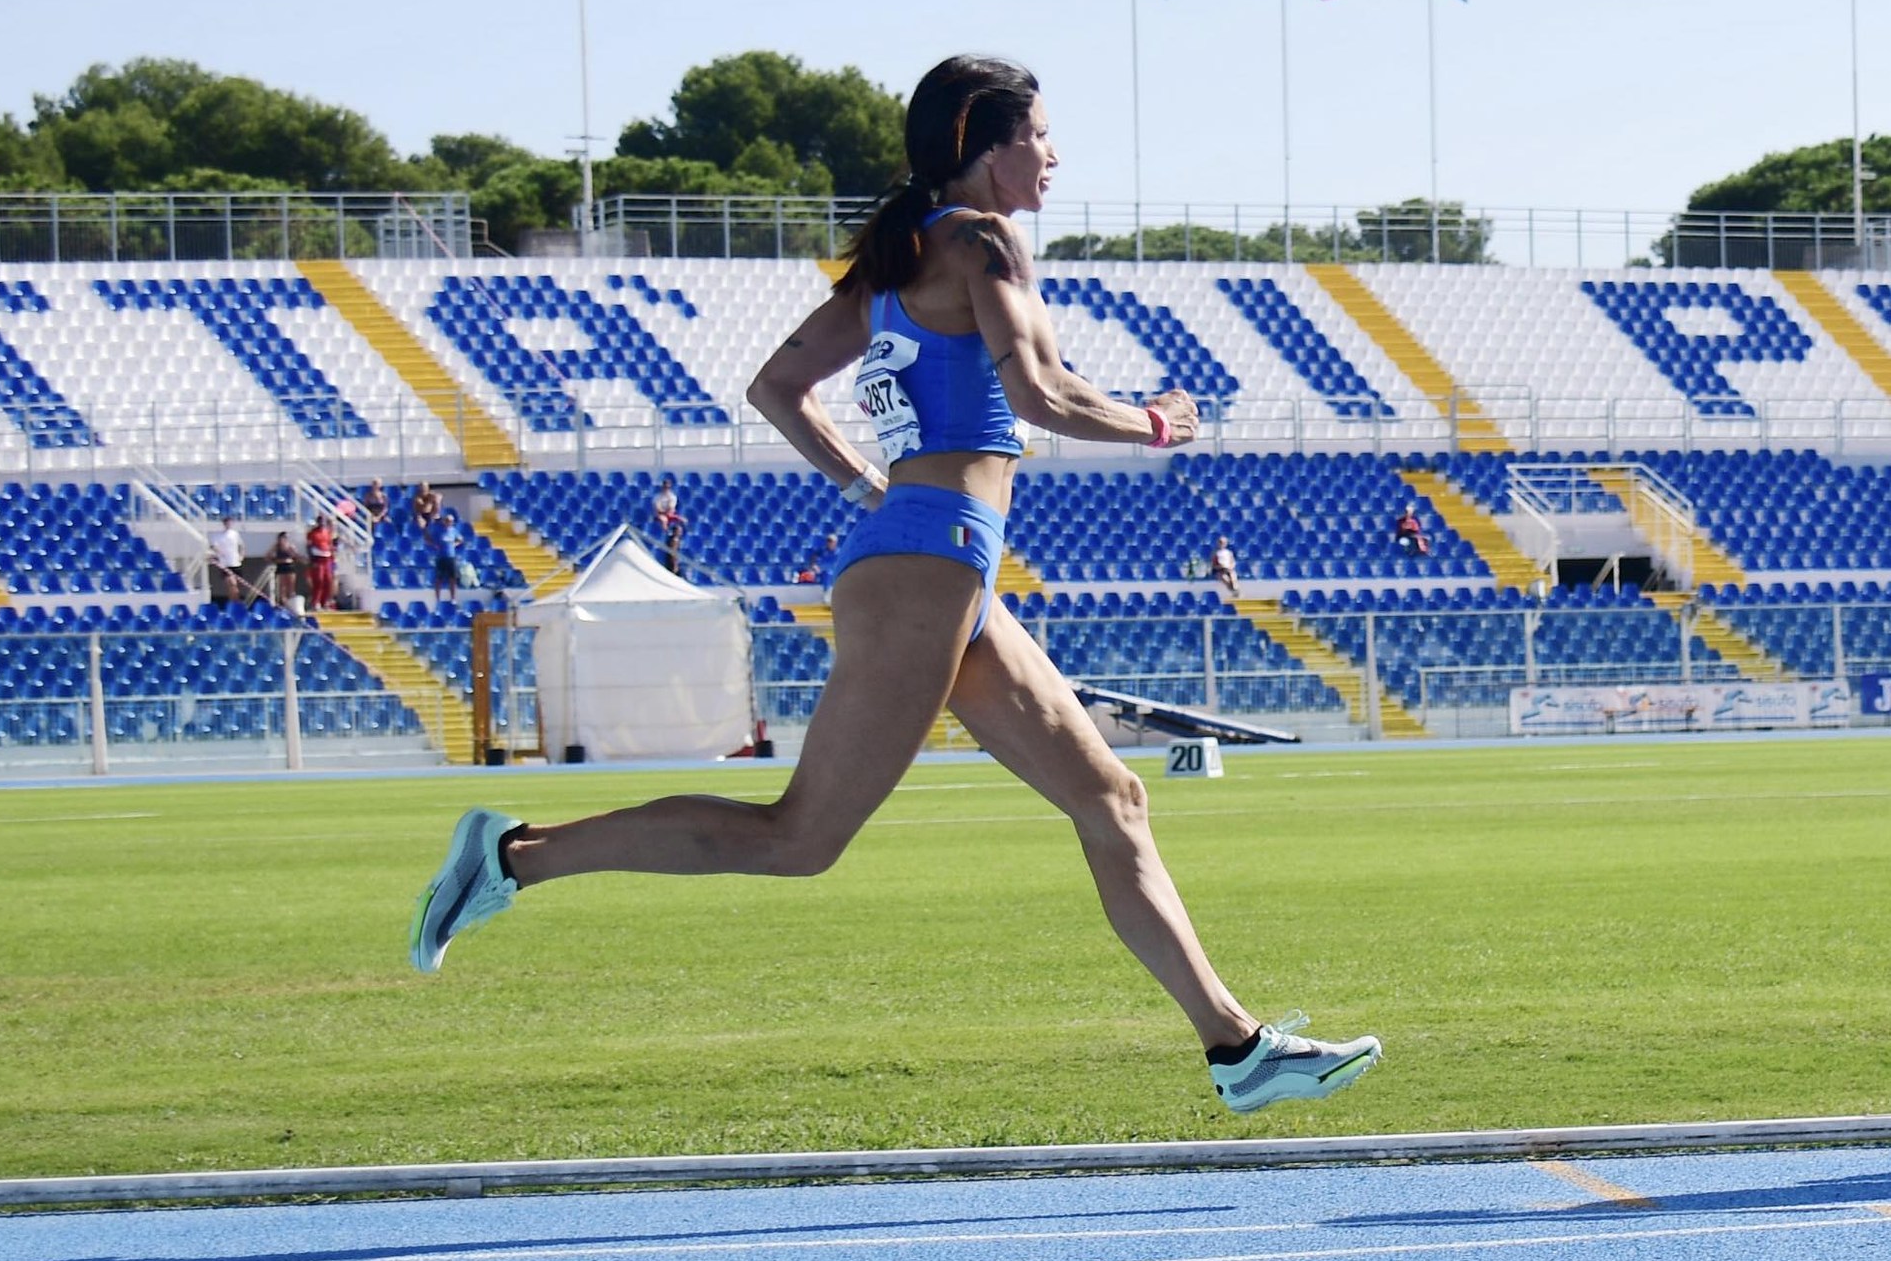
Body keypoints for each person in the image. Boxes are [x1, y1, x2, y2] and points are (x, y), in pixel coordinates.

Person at [410, 54, 1379, 1116]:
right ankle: (510, 854)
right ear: (984, 142)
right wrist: (1156, 422)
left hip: (932, 554)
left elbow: (777, 386)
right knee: (799, 837)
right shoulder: (979, 239)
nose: (1054, 155)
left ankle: (1237, 1048)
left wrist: (872, 484)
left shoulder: (902, 255)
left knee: (1114, 797)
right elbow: (1041, 392)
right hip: (929, 561)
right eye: (1041, 136)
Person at [429, 507, 464, 605]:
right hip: (441, 557)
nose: (449, 522)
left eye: (451, 521)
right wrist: (434, 545)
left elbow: (460, 539)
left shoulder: (453, 530)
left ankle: (453, 598)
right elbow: (429, 538)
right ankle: (437, 598)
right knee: (439, 578)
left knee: (452, 578)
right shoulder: (438, 530)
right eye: (447, 520)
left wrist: (454, 544)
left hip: (451, 557)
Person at [208, 517, 244, 606]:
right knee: (231, 583)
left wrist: (241, 556)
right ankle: (234, 602)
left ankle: (235, 602)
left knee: (235, 586)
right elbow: (213, 546)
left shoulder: (235, 534)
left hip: (235, 563)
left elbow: (241, 545)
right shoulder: (219, 535)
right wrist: (219, 553)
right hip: (225, 564)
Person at [305, 515, 337, 612]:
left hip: (327, 559)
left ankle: (324, 602)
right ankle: (316, 602)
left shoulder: (328, 533)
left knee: (328, 581)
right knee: (318, 581)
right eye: (320, 522)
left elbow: (330, 546)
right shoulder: (312, 533)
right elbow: (309, 547)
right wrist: (312, 560)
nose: (322, 524)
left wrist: (332, 557)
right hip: (317, 559)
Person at [269, 530, 302, 611]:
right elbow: (268, 555)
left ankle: (292, 604)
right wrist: (275, 560)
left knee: (291, 586)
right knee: (282, 587)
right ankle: (283, 604)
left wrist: (291, 553)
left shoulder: (290, 546)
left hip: (289, 566)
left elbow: (296, 555)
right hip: (281, 566)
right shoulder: (276, 547)